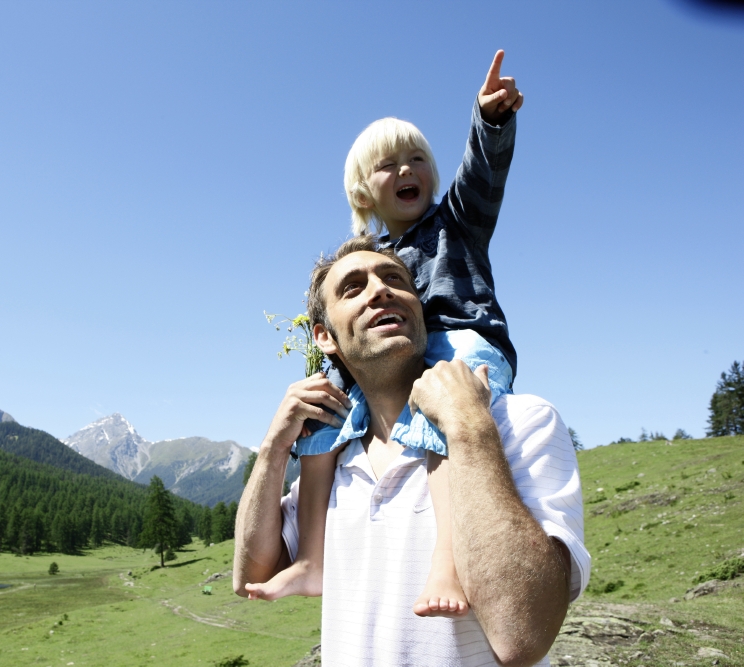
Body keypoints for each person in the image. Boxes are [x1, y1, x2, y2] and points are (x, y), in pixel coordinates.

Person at [243, 50, 523, 618]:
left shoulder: (456, 223)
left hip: (463, 341)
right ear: (362, 194)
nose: (406, 170)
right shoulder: (373, 256)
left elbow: (482, 176)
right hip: (396, 360)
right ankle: (314, 558)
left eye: (417, 158)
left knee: (441, 406)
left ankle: (448, 556)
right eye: (388, 165)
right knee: (323, 406)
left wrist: (489, 122)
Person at [233, 237, 589, 667]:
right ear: (324, 338)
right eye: (352, 287)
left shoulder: (520, 422)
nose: (380, 290)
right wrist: (274, 446)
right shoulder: (330, 460)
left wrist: (468, 428)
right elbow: (250, 575)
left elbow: (523, 638)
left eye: (394, 279)